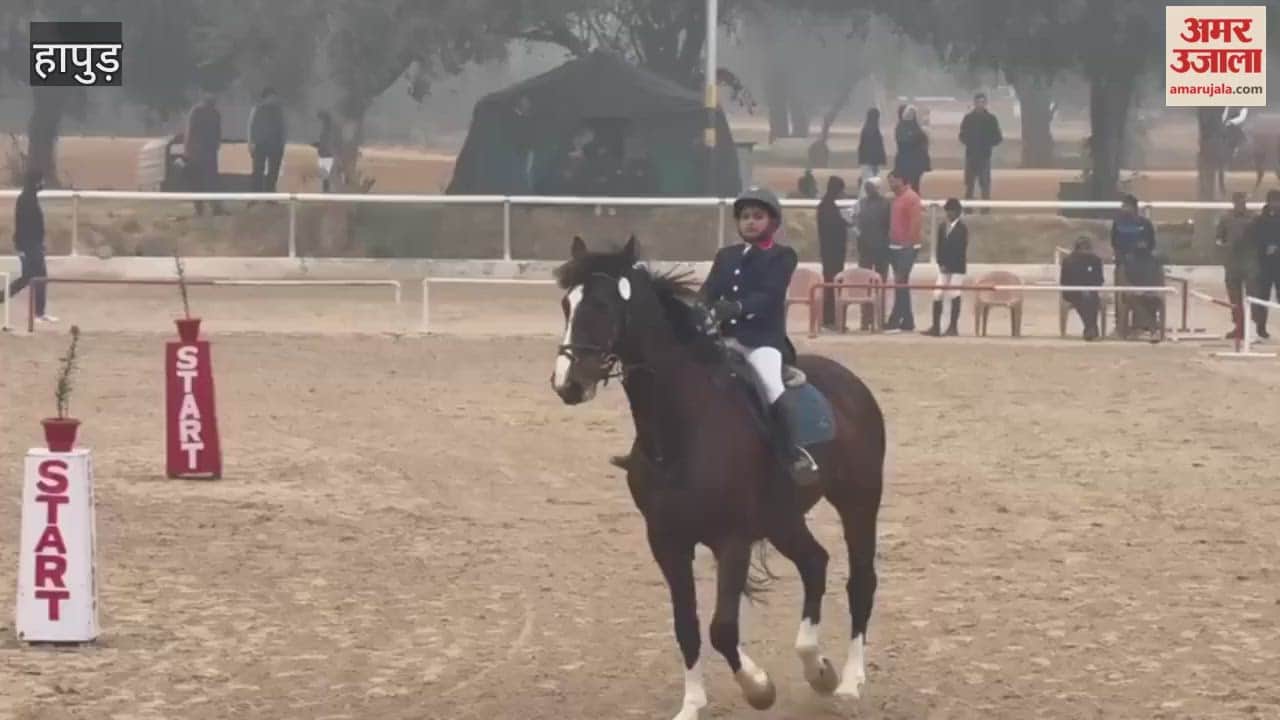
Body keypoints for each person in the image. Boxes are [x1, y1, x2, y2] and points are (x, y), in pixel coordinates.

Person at [699, 186, 818, 484]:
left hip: (760, 340)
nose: (750, 222)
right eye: (745, 217)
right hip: (722, 338)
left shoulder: (782, 256)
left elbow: (771, 296)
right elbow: (708, 291)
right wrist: (702, 310)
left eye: (758, 216)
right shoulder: (726, 256)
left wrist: (736, 307)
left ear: (772, 223)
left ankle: (793, 453)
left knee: (771, 384)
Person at [1, 170, 57, 322]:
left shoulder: (30, 198)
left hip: (34, 245)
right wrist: (20, 247)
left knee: (31, 277)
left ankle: (38, 312)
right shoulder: (25, 200)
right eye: (41, 181)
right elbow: (21, 225)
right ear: (35, 182)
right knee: (35, 277)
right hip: (28, 245)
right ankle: (37, 312)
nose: (43, 184)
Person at [1110, 194, 1156, 334]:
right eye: (1123, 206)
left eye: (1126, 206)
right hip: (1122, 265)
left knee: (1141, 294)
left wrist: (1141, 250)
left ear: (1134, 208)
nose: (1124, 209)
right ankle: (1120, 325)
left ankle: (1140, 325)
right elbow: (1114, 242)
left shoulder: (1145, 224)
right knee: (1121, 295)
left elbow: (1151, 244)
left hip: (1141, 266)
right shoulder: (1118, 224)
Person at [885, 171, 923, 332]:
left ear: (901, 180)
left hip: (907, 248)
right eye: (889, 182)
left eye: (893, 182)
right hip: (895, 247)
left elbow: (915, 223)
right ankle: (908, 321)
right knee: (902, 284)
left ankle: (895, 319)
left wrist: (908, 243)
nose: (891, 185)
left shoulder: (911, 198)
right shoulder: (897, 198)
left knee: (900, 282)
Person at [1215, 192, 1256, 339]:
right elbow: (1219, 238)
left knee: (1252, 296)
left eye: (1243, 202)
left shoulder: (1253, 218)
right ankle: (1239, 326)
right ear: (1234, 202)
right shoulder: (1226, 218)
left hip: (1249, 263)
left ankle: (1252, 327)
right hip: (1232, 263)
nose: (1241, 205)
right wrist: (1225, 248)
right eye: (1238, 202)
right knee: (1234, 298)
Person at [925, 198, 967, 337]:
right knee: (937, 294)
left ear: (958, 212)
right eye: (947, 211)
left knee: (954, 294)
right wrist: (940, 263)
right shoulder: (943, 227)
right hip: (944, 267)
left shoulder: (962, 229)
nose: (949, 214)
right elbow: (939, 248)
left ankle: (953, 327)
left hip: (957, 268)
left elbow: (960, 250)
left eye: (952, 211)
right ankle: (936, 327)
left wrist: (949, 265)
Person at [856, 177, 891, 329]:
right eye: (867, 186)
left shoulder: (886, 204)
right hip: (865, 251)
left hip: (882, 251)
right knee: (865, 287)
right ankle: (865, 320)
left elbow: (889, 227)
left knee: (880, 287)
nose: (869, 189)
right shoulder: (861, 204)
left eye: (871, 186)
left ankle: (880, 320)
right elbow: (857, 224)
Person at [184, 92, 226, 216]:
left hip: (202, 151)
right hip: (204, 151)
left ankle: (203, 207)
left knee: (201, 181)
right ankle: (209, 207)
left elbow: (190, 131)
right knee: (208, 180)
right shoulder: (210, 112)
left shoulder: (201, 112)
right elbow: (191, 130)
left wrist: (187, 149)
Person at [817, 175, 851, 330]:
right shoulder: (828, 208)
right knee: (832, 286)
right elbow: (835, 229)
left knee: (832, 285)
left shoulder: (826, 206)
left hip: (829, 253)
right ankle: (830, 319)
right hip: (833, 255)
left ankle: (832, 318)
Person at [958, 92, 1003, 208]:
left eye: (982, 102)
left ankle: (985, 208)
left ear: (986, 103)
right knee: (969, 184)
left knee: (985, 184)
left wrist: (988, 144)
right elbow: (961, 135)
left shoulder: (991, 119)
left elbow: (998, 137)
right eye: (978, 102)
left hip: (985, 156)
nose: (980, 104)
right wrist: (969, 142)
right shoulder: (968, 119)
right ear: (974, 103)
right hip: (971, 155)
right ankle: (968, 208)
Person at [1246, 189, 1280, 339]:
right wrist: (1264, 246)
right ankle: (1261, 328)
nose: (1275, 204)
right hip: (1264, 265)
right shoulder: (1259, 220)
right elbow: (1252, 239)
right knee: (1262, 298)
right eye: (1273, 201)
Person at [1060, 236, 1105, 341]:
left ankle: (1089, 329)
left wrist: (1089, 286)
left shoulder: (1095, 260)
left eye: (1087, 248)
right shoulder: (1068, 261)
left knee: (1089, 297)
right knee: (1085, 297)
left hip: (1091, 291)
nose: (1084, 251)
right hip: (1072, 291)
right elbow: (1064, 281)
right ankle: (1091, 328)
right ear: (1077, 249)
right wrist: (1080, 287)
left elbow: (1100, 280)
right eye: (1082, 248)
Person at [248, 87, 287, 196]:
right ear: (266, 97)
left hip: (275, 146)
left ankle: (270, 196)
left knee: (273, 172)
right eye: (272, 96)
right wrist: (251, 143)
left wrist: (282, 144)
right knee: (257, 172)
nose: (274, 99)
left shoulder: (278, 110)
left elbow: (283, 127)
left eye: (274, 97)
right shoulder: (257, 109)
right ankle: (255, 196)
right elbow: (251, 126)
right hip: (260, 145)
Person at [893, 105, 930, 194]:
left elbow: (923, 142)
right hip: (906, 160)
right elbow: (902, 141)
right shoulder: (901, 127)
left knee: (915, 185)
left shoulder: (914, 126)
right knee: (905, 184)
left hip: (914, 161)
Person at [857, 107, 887, 192]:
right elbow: (877, 147)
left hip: (866, 160)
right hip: (872, 162)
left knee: (868, 182)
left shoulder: (866, 129)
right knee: (871, 183)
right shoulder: (873, 130)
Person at [314, 110, 337, 192]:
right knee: (325, 174)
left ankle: (326, 190)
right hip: (326, 153)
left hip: (326, 153)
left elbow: (326, 142)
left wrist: (318, 145)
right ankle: (326, 190)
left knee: (325, 174)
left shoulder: (327, 129)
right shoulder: (327, 129)